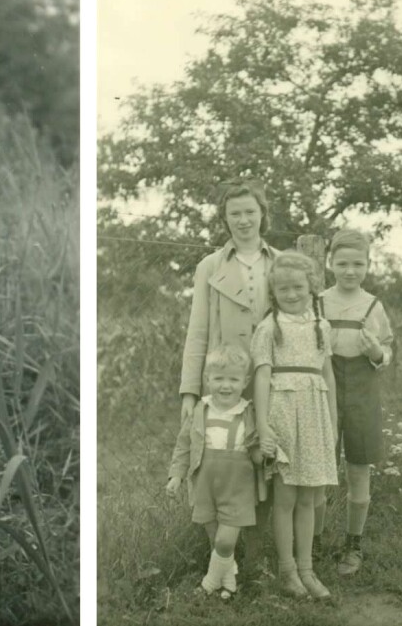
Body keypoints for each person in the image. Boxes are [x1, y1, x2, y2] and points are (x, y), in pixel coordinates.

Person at [179, 177, 281, 577]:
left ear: (262, 215)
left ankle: (260, 554)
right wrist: (190, 390)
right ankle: (224, 557)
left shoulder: (278, 261)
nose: (243, 221)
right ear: (225, 219)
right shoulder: (210, 266)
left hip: (272, 378)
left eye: (250, 212)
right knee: (226, 461)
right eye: (235, 213)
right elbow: (198, 331)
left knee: (266, 458)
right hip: (227, 381)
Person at [251, 251, 338, 599]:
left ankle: (307, 569)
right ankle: (287, 572)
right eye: (283, 289)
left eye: (297, 287)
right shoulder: (269, 327)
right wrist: (263, 425)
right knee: (285, 497)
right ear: (274, 291)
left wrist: (331, 422)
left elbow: (328, 374)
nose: (291, 294)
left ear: (311, 287)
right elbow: (261, 376)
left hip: (315, 415)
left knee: (309, 497)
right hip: (283, 413)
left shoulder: (321, 326)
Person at [313, 229, 393, 576]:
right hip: (323, 388)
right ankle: (312, 541)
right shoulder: (317, 300)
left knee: (358, 468)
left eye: (357, 264)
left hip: (362, 389)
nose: (350, 271)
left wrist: (376, 351)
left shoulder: (374, 305)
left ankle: (352, 543)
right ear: (330, 263)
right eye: (342, 263)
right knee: (317, 469)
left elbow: (387, 350)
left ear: (368, 265)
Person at [166, 344, 263, 599]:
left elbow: (256, 446)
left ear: (246, 381)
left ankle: (208, 584)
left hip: (237, 486)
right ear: (207, 380)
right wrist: (176, 475)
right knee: (214, 541)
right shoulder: (200, 410)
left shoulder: (248, 412)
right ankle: (229, 583)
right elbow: (184, 444)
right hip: (205, 484)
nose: (226, 386)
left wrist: (262, 455)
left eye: (233, 379)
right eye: (219, 379)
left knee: (225, 542)